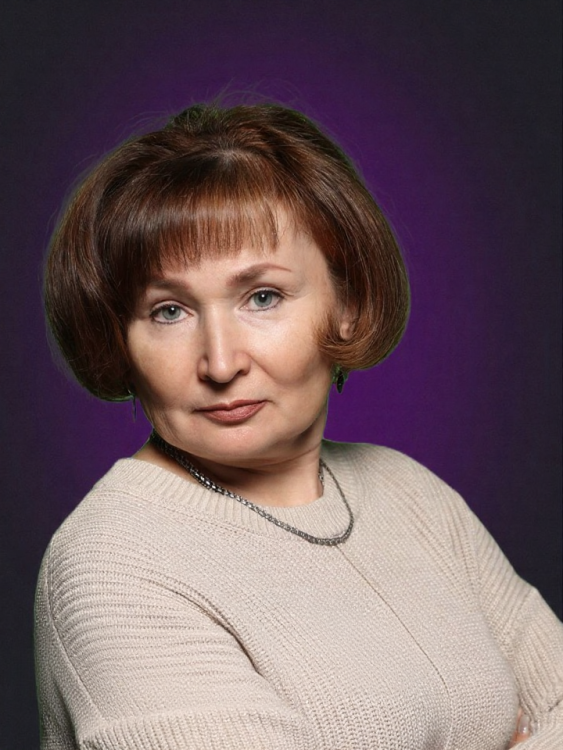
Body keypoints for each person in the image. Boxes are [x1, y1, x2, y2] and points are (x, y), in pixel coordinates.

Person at [35, 102, 562, 749]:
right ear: (121, 340)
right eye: (169, 311)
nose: (220, 362)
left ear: (346, 303)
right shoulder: (113, 569)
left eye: (262, 297)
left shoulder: (410, 495)